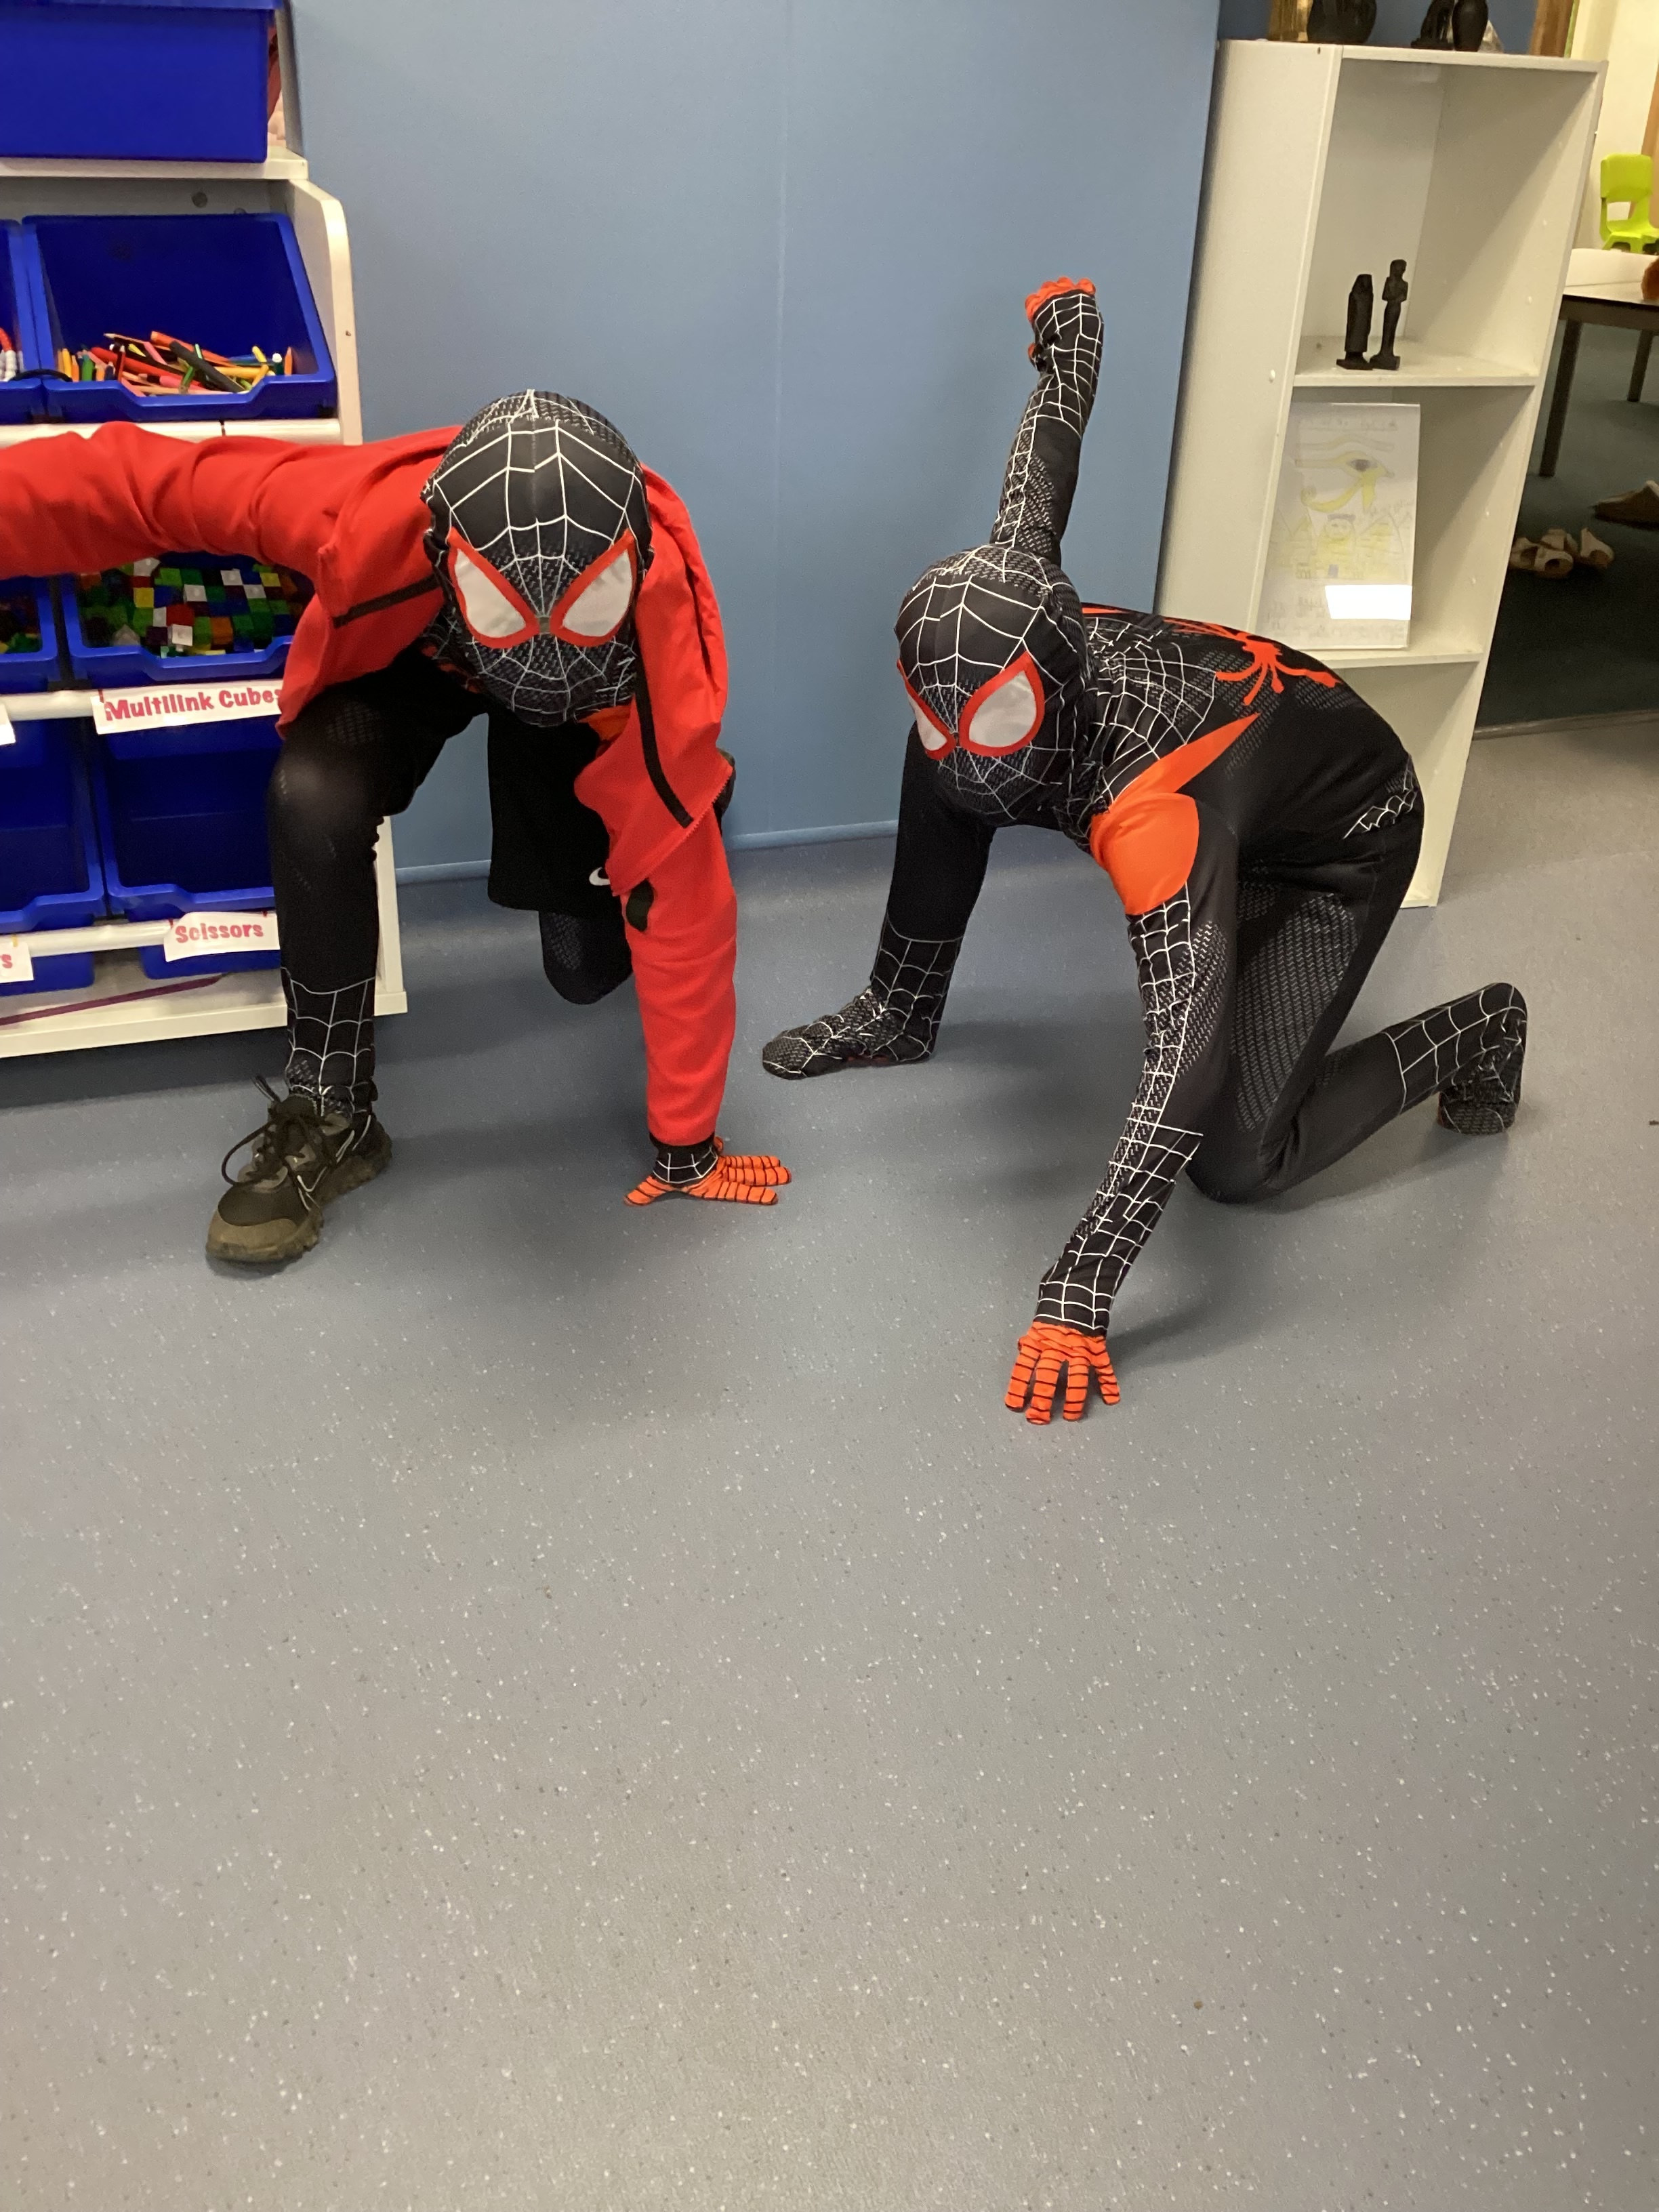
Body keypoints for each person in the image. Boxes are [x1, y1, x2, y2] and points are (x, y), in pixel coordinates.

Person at [762, 279, 1525, 1424]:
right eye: (932, 702)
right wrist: (1069, 345)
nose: (963, 740)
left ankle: (1481, 1026)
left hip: (1338, 842)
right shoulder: (1010, 605)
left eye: (1002, 715)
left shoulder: (1147, 802)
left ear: (1060, 692)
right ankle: (899, 1007)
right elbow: (1041, 463)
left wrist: (1080, 1286)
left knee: (1238, 1161)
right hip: (1248, 785)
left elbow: (1184, 1055)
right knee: (945, 763)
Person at [0, 390, 789, 1260]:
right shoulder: (361, 515)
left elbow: (689, 913)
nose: (540, 652)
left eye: (590, 599)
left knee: (585, 968)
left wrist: (687, 1143)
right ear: (443, 549)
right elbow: (142, 485)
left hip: (596, 703)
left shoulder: (660, 640)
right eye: (505, 610)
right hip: (426, 654)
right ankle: (334, 1112)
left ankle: (682, 786)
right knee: (312, 798)